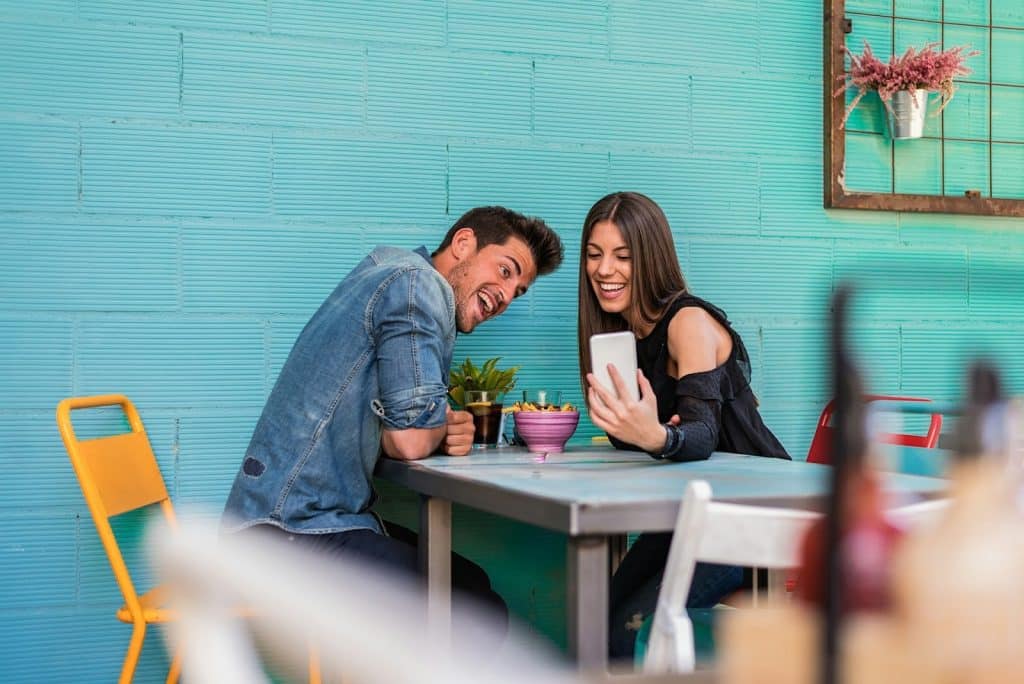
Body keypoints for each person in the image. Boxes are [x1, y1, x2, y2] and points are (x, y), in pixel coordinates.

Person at [223, 206, 564, 634]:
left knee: (471, 588)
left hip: (295, 521)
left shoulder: (392, 271)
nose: (508, 295)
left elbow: (395, 436)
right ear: (463, 244)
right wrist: (438, 426)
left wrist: (435, 427)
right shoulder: (416, 285)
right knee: (475, 613)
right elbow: (407, 441)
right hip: (288, 532)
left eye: (519, 289)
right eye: (505, 269)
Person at [575, 191, 790, 661]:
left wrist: (655, 435)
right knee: (594, 620)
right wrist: (634, 427)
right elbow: (642, 441)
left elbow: (701, 434)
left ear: (650, 258)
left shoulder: (687, 322)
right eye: (594, 255)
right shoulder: (626, 335)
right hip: (691, 516)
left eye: (623, 256)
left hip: (753, 521)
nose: (604, 270)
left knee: (626, 632)